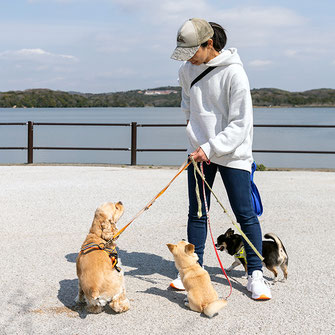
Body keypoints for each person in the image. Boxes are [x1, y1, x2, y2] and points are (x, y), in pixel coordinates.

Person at [169, 18, 271, 300]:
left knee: (244, 214)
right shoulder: (186, 70)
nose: (189, 58)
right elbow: (187, 106)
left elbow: (241, 123)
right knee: (197, 212)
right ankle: (193, 268)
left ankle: (255, 275)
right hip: (199, 153)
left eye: (192, 51)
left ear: (208, 44)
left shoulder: (234, 73)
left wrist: (212, 147)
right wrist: (196, 141)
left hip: (233, 153)